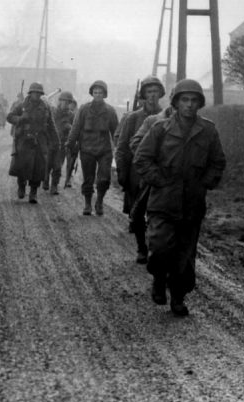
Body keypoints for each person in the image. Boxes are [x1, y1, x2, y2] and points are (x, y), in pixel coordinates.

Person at [133, 78, 226, 316]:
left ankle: (177, 297)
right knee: (161, 248)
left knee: (184, 257)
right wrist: (160, 180)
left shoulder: (208, 131)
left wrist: (205, 183)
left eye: (194, 100)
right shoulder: (160, 129)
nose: (189, 105)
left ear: (199, 104)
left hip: (192, 204)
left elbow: (218, 162)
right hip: (163, 201)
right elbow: (141, 159)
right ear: (175, 102)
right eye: (184, 100)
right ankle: (158, 278)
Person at [114, 76, 166, 264]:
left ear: (161, 94)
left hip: (157, 174)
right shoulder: (133, 118)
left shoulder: (167, 116)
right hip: (136, 174)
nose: (152, 96)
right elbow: (122, 147)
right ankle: (141, 248)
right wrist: (122, 172)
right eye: (148, 92)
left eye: (155, 92)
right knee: (136, 214)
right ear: (143, 95)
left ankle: (154, 248)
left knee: (157, 215)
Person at [66, 80, 119, 216]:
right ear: (92, 94)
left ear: (104, 94)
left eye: (100, 93)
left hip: (104, 150)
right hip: (87, 149)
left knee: (104, 179)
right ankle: (88, 204)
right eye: (95, 92)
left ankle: (99, 201)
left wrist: (119, 148)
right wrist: (70, 143)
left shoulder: (110, 111)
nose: (98, 95)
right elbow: (76, 128)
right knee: (88, 179)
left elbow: (116, 132)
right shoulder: (84, 109)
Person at [6, 82, 60, 204]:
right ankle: (21, 186)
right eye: (34, 92)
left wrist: (56, 141)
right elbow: (9, 117)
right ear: (30, 93)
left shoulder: (45, 107)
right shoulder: (22, 106)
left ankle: (33, 192)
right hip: (24, 140)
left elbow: (51, 125)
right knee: (21, 165)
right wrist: (20, 119)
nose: (36, 95)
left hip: (40, 140)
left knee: (39, 167)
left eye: (39, 93)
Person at [47, 91, 76, 195]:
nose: (66, 104)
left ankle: (54, 186)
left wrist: (70, 127)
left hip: (62, 145)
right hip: (50, 143)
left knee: (58, 166)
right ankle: (45, 180)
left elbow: (75, 130)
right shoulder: (53, 112)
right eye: (64, 101)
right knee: (48, 164)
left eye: (68, 102)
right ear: (60, 101)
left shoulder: (72, 115)